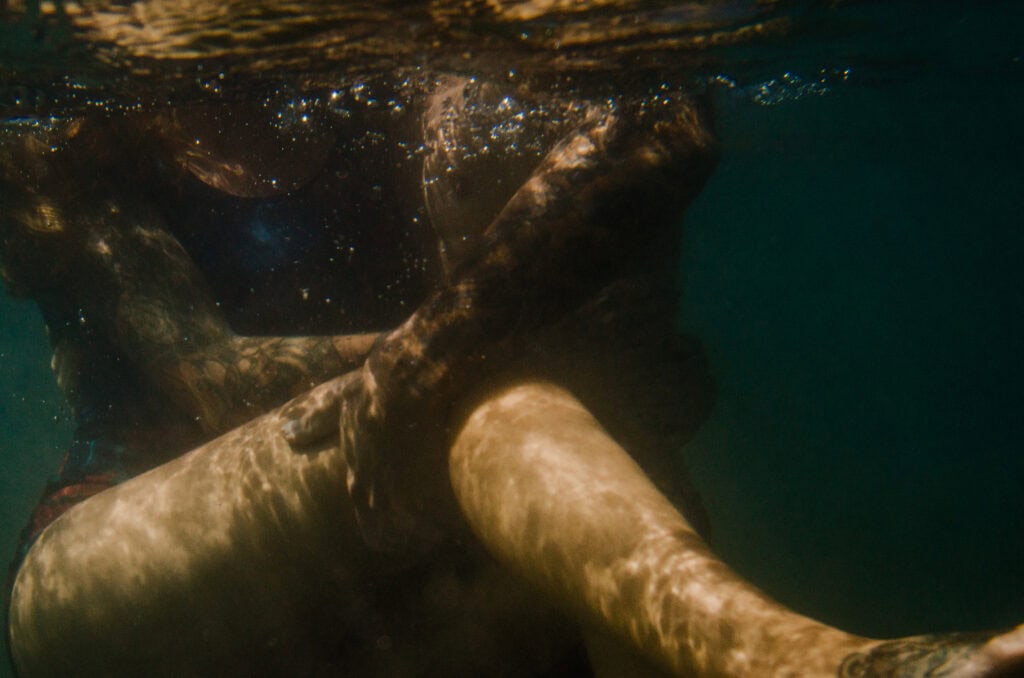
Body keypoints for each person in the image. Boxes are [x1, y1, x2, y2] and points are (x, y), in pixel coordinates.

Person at [4, 13, 1024, 677]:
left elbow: (660, 130)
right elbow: (214, 377)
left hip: (382, 547)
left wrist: (466, 353)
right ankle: (820, 665)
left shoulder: (388, 86)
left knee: (519, 491)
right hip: (119, 567)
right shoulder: (73, 155)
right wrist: (443, 352)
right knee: (507, 402)